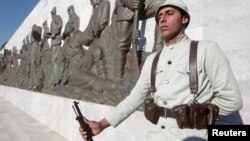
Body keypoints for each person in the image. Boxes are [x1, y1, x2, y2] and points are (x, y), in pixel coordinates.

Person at [79, 0, 243, 140]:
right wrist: (101, 124)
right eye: (159, 16)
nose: (162, 19)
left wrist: (197, 115)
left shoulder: (207, 50)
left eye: (169, 13)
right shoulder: (152, 60)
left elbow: (232, 100)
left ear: (185, 19)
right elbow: (134, 99)